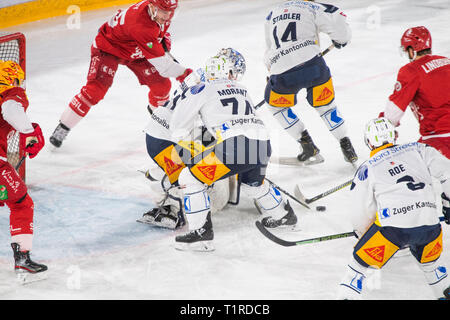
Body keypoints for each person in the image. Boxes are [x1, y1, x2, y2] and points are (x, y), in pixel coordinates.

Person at [167, 48, 298, 251]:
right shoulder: (241, 88)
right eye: (232, 72)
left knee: (189, 177)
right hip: (263, 144)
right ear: (226, 72)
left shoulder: (201, 89)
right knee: (252, 185)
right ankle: (284, 215)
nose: (234, 76)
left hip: (235, 148)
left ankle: (202, 236)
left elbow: (178, 128)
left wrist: (195, 151)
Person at [49, 0, 193, 148]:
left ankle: (159, 120)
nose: (167, 15)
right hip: (109, 49)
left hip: (137, 50)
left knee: (162, 86)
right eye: (163, 11)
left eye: (170, 11)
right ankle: (63, 127)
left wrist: (162, 39)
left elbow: (158, 32)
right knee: (95, 91)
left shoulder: (160, 14)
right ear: (151, 7)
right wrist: (186, 75)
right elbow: (164, 65)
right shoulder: (139, 24)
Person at [337, 117, 450, 300]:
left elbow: (359, 212)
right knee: (432, 268)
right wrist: (448, 204)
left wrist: (362, 234)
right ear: (395, 135)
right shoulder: (419, 149)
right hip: (430, 226)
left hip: (392, 231)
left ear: (368, 142)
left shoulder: (367, 168)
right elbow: (448, 172)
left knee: (357, 270)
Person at [263, 0, 357, 165]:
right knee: (326, 106)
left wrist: (273, 73)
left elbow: (269, 50)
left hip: (282, 73)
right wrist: (341, 40)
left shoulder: (272, 14)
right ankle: (346, 144)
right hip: (313, 66)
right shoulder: (313, 7)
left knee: (276, 105)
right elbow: (340, 30)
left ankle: (306, 144)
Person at [137, 74, 231, 229]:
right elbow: (202, 128)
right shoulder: (210, 90)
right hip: (167, 140)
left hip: (156, 134)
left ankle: (161, 178)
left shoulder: (199, 78)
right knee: (195, 174)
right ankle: (173, 206)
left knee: (198, 161)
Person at [0, 60, 47, 277]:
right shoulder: (12, 93)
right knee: (21, 204)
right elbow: (10, 109)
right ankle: (22, 258)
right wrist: (29, 132)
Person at [380, 26, 450, 159]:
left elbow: (394, 111)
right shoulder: (446, 61)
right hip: (439, 137)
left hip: (439, 140)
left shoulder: (411, 71)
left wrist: (384, 124)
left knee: (408, 165)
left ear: (412, 50)